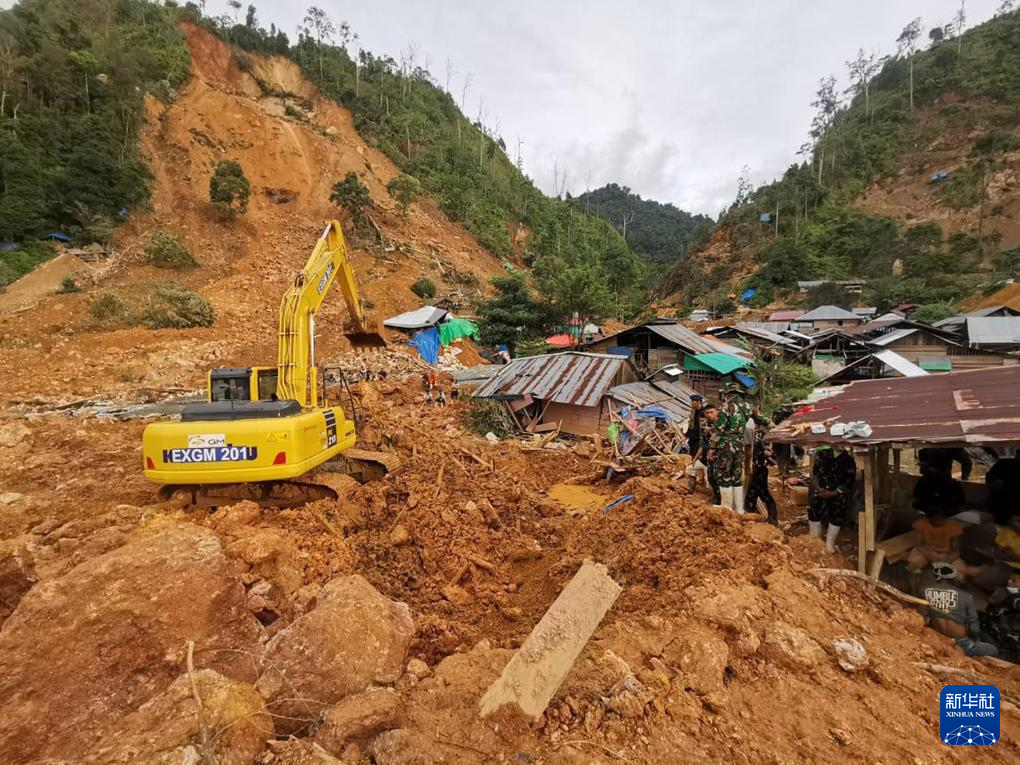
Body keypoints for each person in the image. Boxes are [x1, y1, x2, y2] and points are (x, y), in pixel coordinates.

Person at [924, 562, 998, 658]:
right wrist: (976, 639)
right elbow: (973, 627)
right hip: (960, 642)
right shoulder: (965, 597)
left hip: (937, 635)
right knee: (993, 649)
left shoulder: (927, 592)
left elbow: (925, 615)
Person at [809, 446, 856, 552]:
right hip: (820, 492)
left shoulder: (848, 460)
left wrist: (834, 493)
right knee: (814, 513)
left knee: (837, 517)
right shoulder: (822, 454)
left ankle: (829, 545)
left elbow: (849, 480)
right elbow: (815, 473)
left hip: (838, 495)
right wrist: (818, 488)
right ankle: (813, 542)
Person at [709, 387, 748, 513]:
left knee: (724, 474)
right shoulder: (747, 407)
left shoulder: (726, 407)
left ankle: (727, 508)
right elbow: (762, 419)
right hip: (739, 445)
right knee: (736, 476)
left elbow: (719, 429)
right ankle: (739, 509)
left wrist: (712, 447)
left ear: (727, 394)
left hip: (726, 445)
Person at [981, 571, 1020, 663]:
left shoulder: (1013, 598)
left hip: (1012, 648)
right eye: (1009, 579)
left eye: (1014, 580)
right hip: (1000, 642)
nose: (1009, 582)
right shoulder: (1007, 596)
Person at [745, 422, 778, 524]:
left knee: (761, 494)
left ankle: (772, 518)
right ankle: (754, 516)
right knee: (753, 494)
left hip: (758, 471)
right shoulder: (756, 437)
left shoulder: (756, 437)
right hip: (756, 470)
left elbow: (765, 454)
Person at [700, 405, 722, 505]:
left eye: (711, 412)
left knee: (721, 479)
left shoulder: (722, 424)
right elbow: (704, 444)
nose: (709, 415)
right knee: (711, 478)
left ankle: (723, 501)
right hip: (710, 458)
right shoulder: (704, 426)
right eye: (707, 413)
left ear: (717, 412)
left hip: (722, 456)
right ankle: (716, 499)